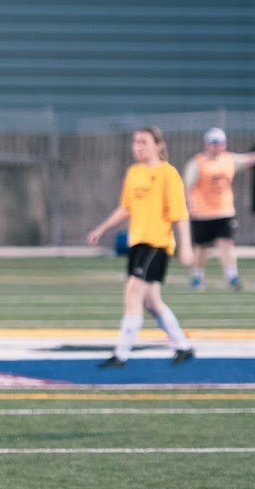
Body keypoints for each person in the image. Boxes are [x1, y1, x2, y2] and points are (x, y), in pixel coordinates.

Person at [87, 126, 195, 367]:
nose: (138, 147)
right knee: (151, 301)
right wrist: (101, 229)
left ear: (158, 145)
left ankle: (121, 354)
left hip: (157, 243)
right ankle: (183, 347)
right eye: (135, 142)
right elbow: (126, 208)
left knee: (133, 292)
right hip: (137, 243)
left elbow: (180, 213)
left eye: (144, 142)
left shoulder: (168, 174)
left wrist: (186, 247)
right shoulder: (134, 172)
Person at [184, 127, 254, 291]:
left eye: (220, 143)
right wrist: (190, 205)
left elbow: (248, 159)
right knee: (201, 247)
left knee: (226, 244)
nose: (216, 147)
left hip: (224, 211)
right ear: (207, 144)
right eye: (213, 143)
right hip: (203, 213)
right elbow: (188, 186)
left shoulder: (229, 159)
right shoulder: (197, 162)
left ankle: (232, 276)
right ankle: (197, 276)